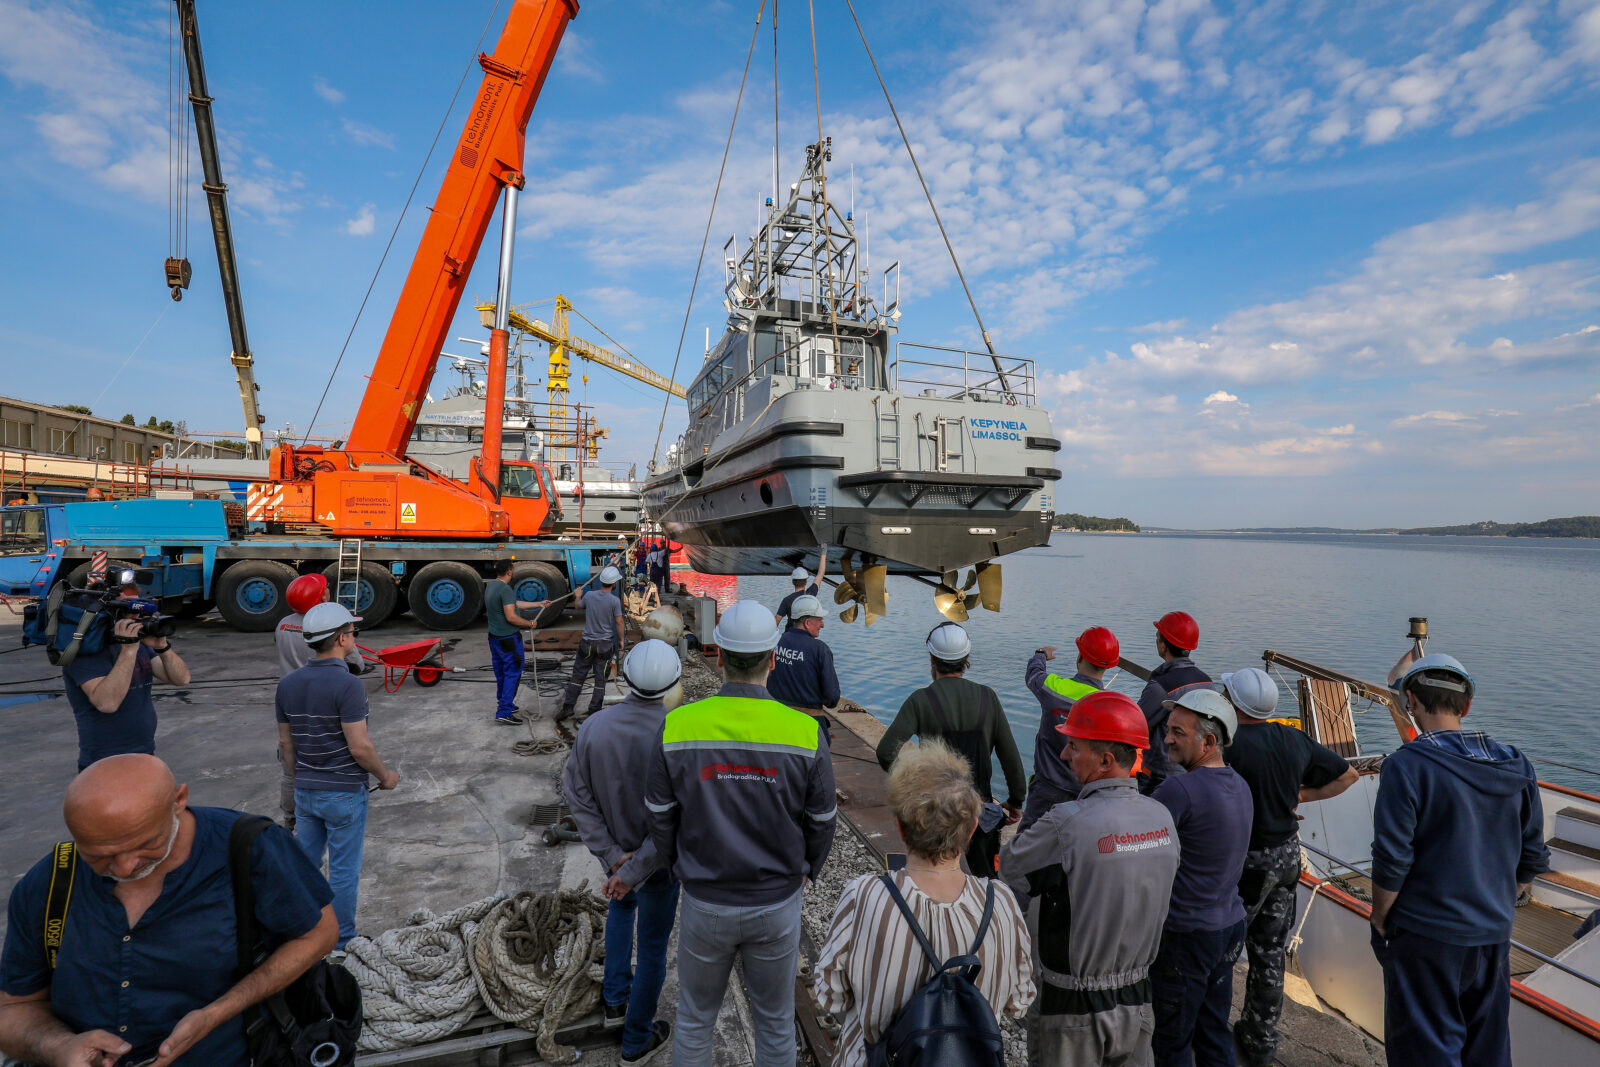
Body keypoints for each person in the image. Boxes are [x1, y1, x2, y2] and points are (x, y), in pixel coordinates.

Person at [0, 755, 338, 1067]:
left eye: (145, 844)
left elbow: (319, 933)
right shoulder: (48, 883)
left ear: (179, 801)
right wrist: (57, 1046)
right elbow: (14, 1008)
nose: (126, 867)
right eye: (99, 855)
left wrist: (216, 1013)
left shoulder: (251, 849)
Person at [645, 600, 836, 1067]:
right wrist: (807, 869)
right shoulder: (806, 733)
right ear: (772, 659)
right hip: (776, 901)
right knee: (775, 1021)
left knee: (694, 1020)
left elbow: (659, 814)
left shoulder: (678, 726)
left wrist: (677, 864)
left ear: (720, 655)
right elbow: (822, 821)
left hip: (706, 900)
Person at [1368, 653, 1547, 1067]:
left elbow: (1392, 861)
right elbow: (1533, 856)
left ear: (1410, 701)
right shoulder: (1517, 763)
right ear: (1466, 707)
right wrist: (1501, 897)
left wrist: (1379, 918)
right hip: (1493, 934)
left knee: (1425, 1050)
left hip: (1426, 935)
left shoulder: (1406, 766)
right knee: (1487, 1049)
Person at [815, 739, 1036, 1066]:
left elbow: (830, 996)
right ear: (973, 827)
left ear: (901, 828)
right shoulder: (1000, 902)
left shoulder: (864, 895)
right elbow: (1019, 1002)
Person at [1000, 690, 1180, 1067]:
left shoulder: (1066, 823)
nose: (1064, 754)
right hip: (1139, 1001)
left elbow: (1013, 868)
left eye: (1073, 745)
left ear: (1105, 760)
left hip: (1073, 1009)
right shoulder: (1162, 818)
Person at [1220, 667, 1358, 1066]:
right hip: (1285, 856)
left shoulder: (1227, 744)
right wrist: (1298, 796)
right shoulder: (1292, 738)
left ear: (1232, 701)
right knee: (1270, 951)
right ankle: (1260, 1040)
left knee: (1222, 951)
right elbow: (1348, 775)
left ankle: (1210, 1031)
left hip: (1245, 860)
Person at [564, 641, 684, 1064]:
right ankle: (636, 1040)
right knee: (652, 949)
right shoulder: (679, 731)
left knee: (620, 908)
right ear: (674, 679)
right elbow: (676, 815)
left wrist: (613, 856)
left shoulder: (595, 727)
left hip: (615, 859)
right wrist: (636, 865)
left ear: (625, 674)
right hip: (660, 865)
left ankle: (615, 997)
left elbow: (576, 795)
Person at [276, 602, 399, 948]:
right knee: (343, 872)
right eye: (353, 632)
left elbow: (287, 745)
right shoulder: (348, 685)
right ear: (343, 638)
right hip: (344, 792)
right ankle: (343, 941)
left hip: (305, 790)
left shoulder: (288, 684)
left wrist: (303, 777)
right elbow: (360, 747)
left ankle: (299, 930)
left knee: (304, 865)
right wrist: (385, 776)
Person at [1149, 689, 1253, 1067]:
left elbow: (1140, 844)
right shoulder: (1239, 784)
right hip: (1228, 925)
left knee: (1172, 1039)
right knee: (1212, 1030)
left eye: (1178, 732)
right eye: (1169, 729)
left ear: (1209, 741)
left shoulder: (1180, 788)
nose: (1167, 738)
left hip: (1187, 932)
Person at [876, 622, 1025, 877]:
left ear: (932, 658)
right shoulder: (988, 697)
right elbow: (1009, 755)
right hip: (979, 811)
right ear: (966, 659)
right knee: (986, 877)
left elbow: (886, 751)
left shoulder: (920, 700)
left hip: (935, 809)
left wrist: (913, 782)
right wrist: (1016, 800)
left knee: (933, 874)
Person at [60, 570, 191, 772]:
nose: (136, 615)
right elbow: (107, 703)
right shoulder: (84, 651)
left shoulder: (138, 642)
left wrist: (162, 647)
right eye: (129, 609)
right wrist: (128, 651)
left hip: (144, 754)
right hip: (104, 763)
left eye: (138, 607)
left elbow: (181, 679)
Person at [274, 573, 365, 829]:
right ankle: (331, 810)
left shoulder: (282, 624)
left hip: (291, 702)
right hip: (325, 703)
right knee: (331, 758)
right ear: (321, 597)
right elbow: (356, 665)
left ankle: (292, 818)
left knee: (290, 764)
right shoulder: (327, 626)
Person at [1021, 626, 1119, 831]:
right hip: (1083, 795)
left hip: (1046, 789)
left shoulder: (1054, 688)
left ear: (1079, 657)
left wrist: (1041, 655)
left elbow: (1033, 674)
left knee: (1026, 845)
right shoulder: (1109, 705)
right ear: (1108, 667)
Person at [1137, 610, 1212, 793]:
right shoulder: (1207, 681)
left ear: (1163, 646)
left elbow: (1136, 725)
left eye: (1157, 636)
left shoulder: (1161, 686)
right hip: (1196, 772)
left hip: (1161, 777)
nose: (1156, 640)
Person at [483, 559, 551, 726]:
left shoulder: (492, 586)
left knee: (501, 673)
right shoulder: (505, 589)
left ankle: (507, 704)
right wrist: (530, 624)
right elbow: (511, 616)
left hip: (494, 638)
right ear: (509, 571)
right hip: (509, 640)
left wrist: (539, 603)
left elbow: (512, 605)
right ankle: (504, 711)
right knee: (512, 673)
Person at [766, 594, 840, 745]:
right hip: (809, 726)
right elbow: (832, 698)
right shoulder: (820, 650)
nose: (822, 625)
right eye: (819, 620)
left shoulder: (775, 642)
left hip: (776, 723)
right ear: (807, 622)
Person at [560, 566, 626, 722]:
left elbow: (578, 606)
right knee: (600, 680)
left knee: (578, 676)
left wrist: (578, 595)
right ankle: (594, 710)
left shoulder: (589, 596)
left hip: (587, 643)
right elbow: (619, 621)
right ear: (614, 583)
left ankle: (568, 707)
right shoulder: (614, 601)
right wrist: (622, 640)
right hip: (604, 645)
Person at [775, 552, 826, 629]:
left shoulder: (786, 600)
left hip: (789, 635)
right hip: (804, 633)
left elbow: (776, 622)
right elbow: (820, 574)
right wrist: (823, 553)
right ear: (805, 582)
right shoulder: (810, 595)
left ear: (793, 582)